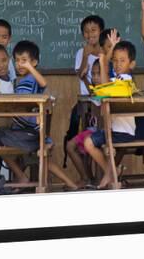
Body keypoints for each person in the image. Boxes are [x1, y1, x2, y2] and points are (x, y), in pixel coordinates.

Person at [0, 40, 79, 191]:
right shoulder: (20, 82)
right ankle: (66, 182)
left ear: (34, 62)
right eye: (18, 61)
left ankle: (22, 176)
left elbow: (44, 83)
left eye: (24, 61)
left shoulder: (32, 79)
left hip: (30, 132)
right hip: (24, 131)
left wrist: (30, 69)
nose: (20, 64)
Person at [84, 37, 137, 190]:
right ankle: (112, 172)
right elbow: (105, 84)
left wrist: (102, 62)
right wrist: (106, 56)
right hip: (115, 130)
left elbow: (105, 87)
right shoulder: (118, 78)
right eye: (115, 60)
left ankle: (111, 173)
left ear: (131, 64)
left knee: (89, 142)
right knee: (89, 142)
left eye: (122, 60)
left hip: (122, 132)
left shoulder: (126, 80)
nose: (117, 64)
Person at [63, 15, 105, 168]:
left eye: (93, 30)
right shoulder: (81, 52)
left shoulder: (104, 52)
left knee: (97, 135)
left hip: (101, 100)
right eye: (86, 32)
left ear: (100, 31)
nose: (90, 34)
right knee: (80, 131)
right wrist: (86, 57)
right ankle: (87, 173)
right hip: (86, 101)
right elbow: (80, 73)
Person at [66, 58, 101, 188]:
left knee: (75, 147)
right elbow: (92, 91)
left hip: (100, 132)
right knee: (73, 147)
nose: (96, 78)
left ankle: (88, 178)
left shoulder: (108, 91)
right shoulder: (97, 90)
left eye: (99, 74)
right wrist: (85, 78)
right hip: (93, 131)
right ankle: (87, 178)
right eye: (94, 74)